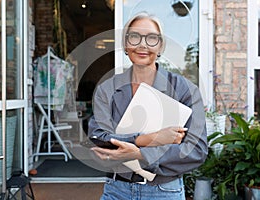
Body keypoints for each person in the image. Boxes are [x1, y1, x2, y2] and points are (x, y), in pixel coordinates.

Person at [88, 12, 207, 200]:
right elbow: (99, 137)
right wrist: (148, 139)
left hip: (164, 191)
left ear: (160, 46)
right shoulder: (108, 89)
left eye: (152, 38)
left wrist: (141, 154)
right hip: (116, 189)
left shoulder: (185, 89)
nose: (143, 45)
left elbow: (196, 150)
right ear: (126, 44)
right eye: (135, 37)